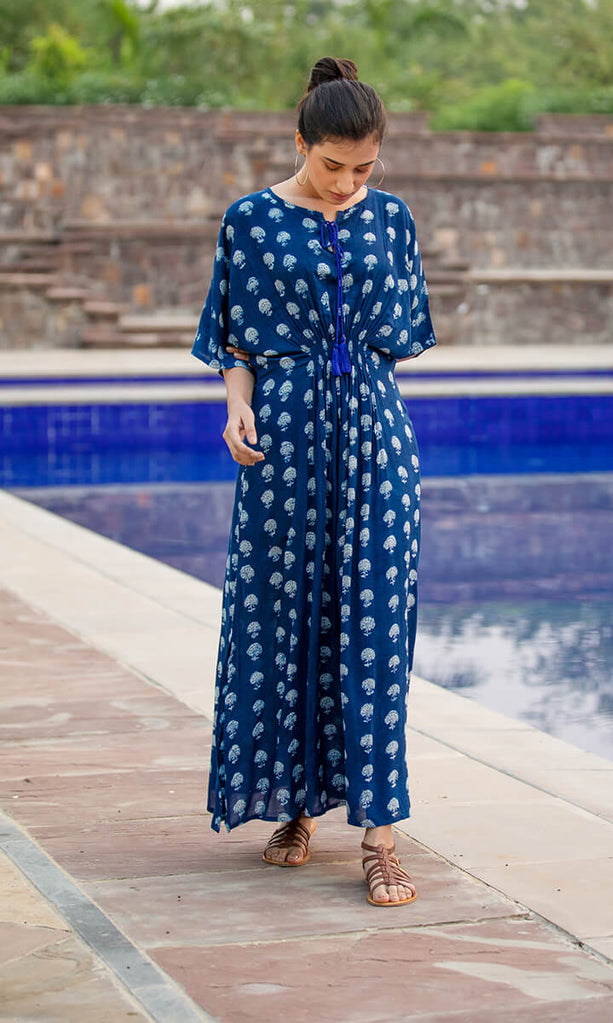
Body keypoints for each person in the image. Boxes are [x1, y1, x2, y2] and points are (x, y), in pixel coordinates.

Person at [191, 56, 437, 907]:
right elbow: (233, 337)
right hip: (284, 441)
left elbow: (401, 335)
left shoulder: (391, 219)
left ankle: (379, 835)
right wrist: (237, 406)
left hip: (374, 438)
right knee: (280, 618)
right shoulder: (251, 219)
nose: (346, 184)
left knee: (374, 624)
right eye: (332, 164)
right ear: (299, 142)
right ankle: (293, 809)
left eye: (363, 168)